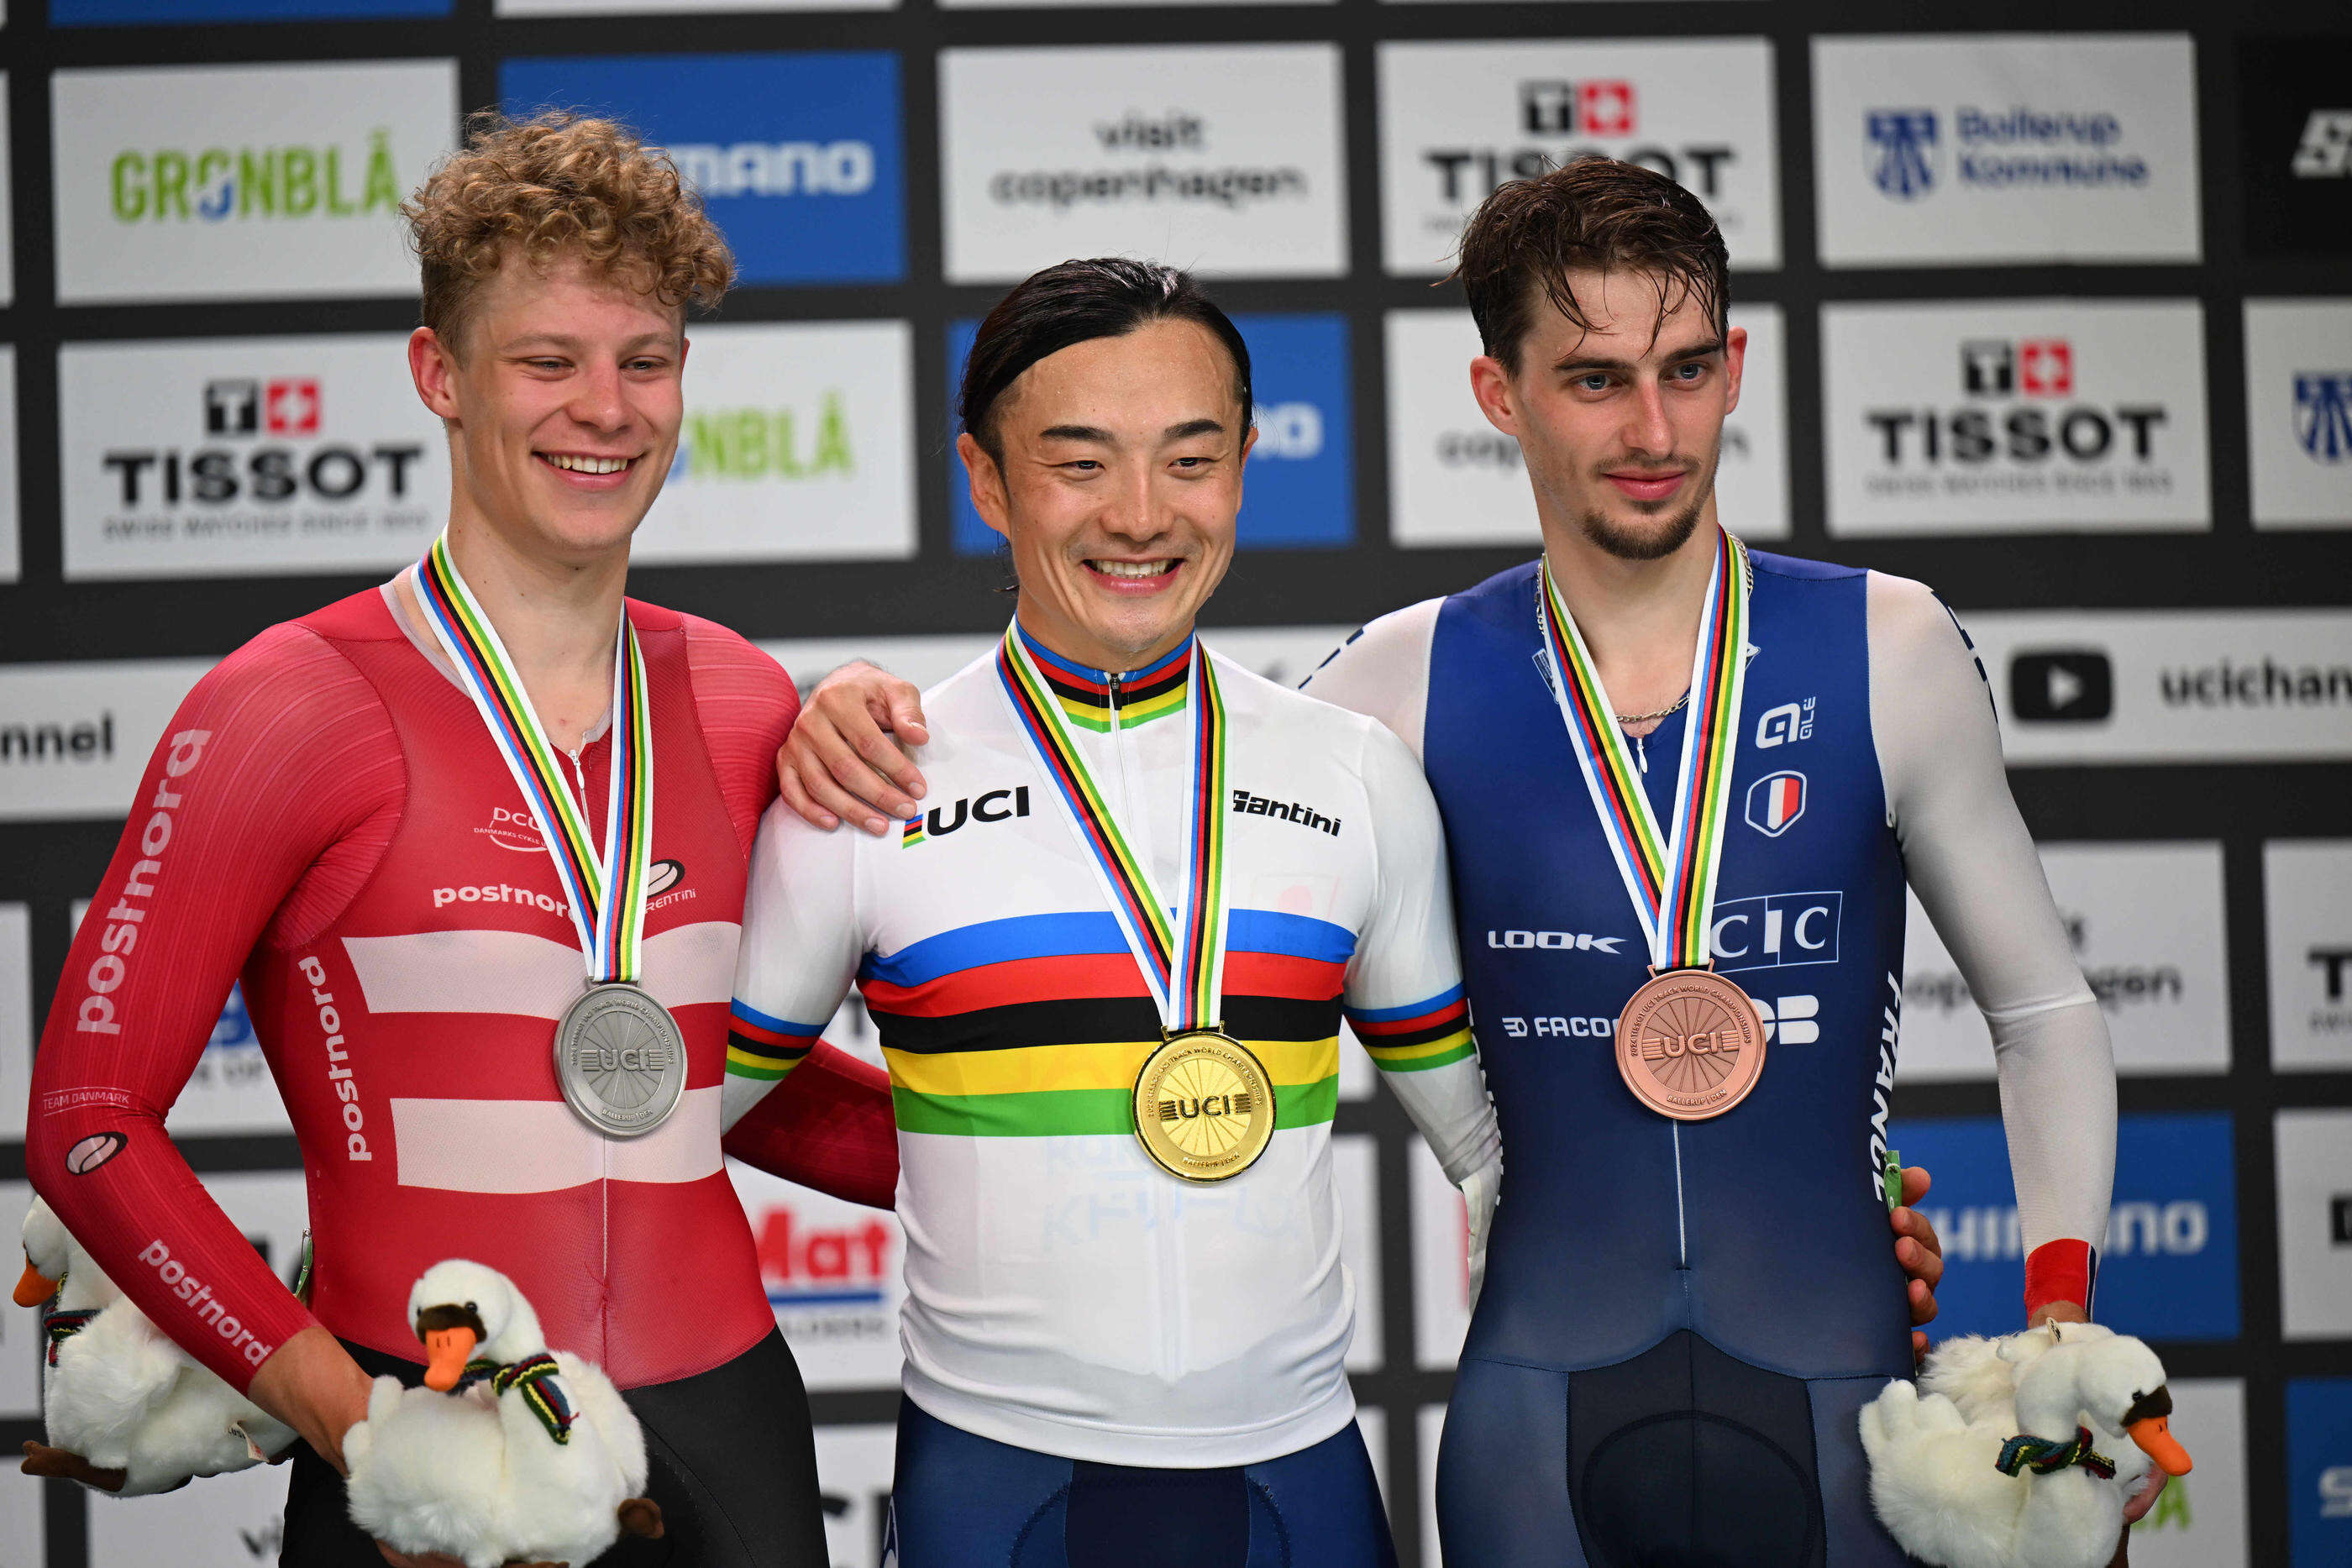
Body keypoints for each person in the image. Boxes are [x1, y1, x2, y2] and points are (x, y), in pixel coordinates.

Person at [782, 163, 2123, 1567]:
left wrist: (2059, 1320)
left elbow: (2043, 1013)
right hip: (1531, 1426)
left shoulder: (1890, 647)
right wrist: (863, 713)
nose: (1653, 428)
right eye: (1596, 379)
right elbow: (1133, 799)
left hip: (1842, 1390)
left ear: (1735, 368)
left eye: (1683, 371)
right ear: (1503, 396)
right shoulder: (1384, 694)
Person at [25, 110, 895, 1568]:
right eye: (547, 361)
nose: (603, 409)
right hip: (429, 1441)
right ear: (440, 374)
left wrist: (1030, 1145)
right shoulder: (288, 705)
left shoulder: (746, 697)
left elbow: (707, 1080)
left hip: (739, 1433)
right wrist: (342, 1415)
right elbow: (87, 1123)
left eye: (645, 362)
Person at [725, 258, 1502, 1568]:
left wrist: (1815, 1216)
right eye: (1079, 464)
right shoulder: (867, 780)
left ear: (1246, 464)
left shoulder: (1352, 771)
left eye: (1189, 459)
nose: (1141, 516)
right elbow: (677, 1119)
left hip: (1297, 1484)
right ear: (988, 481)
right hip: (999, 1485)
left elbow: (1492, 1151)